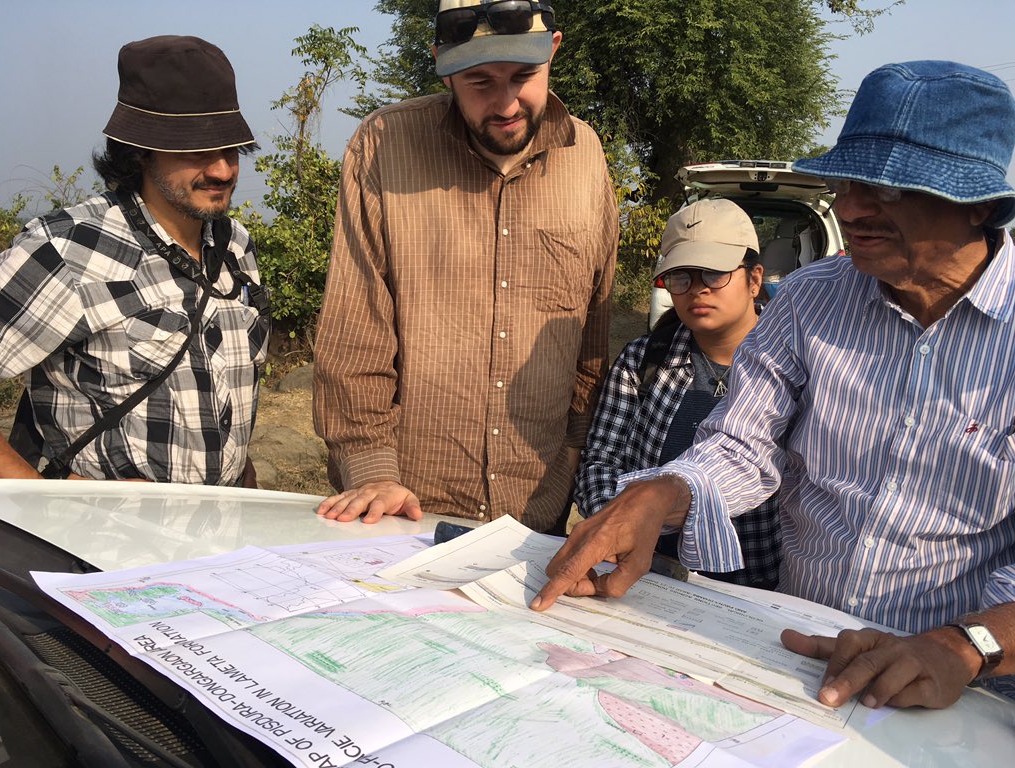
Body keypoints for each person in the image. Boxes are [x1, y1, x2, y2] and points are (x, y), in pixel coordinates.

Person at [533, 60, 1015, 709]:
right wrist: (666, 491)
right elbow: (743, 443)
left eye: (889, 190)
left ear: (978, 204)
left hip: (962, 681)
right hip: (793, 649)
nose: (851, 208)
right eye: (847, 182)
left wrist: (965, 646)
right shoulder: (813, 299)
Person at [312, 0, 618, 532]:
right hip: (405, 509)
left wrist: (573, 449)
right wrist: (372, 469)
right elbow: (355, 330)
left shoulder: (585, 154)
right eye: (480, 82)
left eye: (523, 76)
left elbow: (591, 328)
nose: (506, 103)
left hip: (537, 509)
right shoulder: (384, 146)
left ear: (553, 50)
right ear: (443, 67)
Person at [0, 36, 269, 485]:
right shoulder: (70, 249)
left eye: (231, 148)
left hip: (226, 523)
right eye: (196, 149)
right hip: (101, 530)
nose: (222, 170)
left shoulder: (235, 247)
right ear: (140, 152)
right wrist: (35, 495)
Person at [574, 199, 780, 589]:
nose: (697, 289)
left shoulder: (791, 365)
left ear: (754, 279)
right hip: (643, 573)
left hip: (751, 584)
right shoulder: (643, 360)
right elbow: (600, 461)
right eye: (681, 277)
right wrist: (622, 525)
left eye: (714, 273)